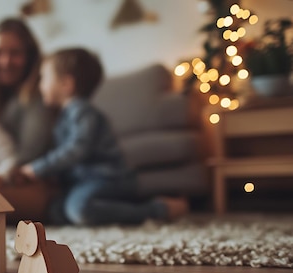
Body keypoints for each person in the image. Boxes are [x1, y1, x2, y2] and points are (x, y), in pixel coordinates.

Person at [19, 48, 188, 225]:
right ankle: (119, 206)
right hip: (84, 182)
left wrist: (38, 168)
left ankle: (158, 209)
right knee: (55, 211)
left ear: (66, 84)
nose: (40, 85)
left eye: (44, 78)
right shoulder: (64, 117)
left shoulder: (83, 112)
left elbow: (77, 150)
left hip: (108, 178)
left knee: (79, 209)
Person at [0, 18, 54, 164]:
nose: (5, 62)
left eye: (15, 53)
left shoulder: (39, 98)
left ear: (30, 56)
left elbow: (29, 157)